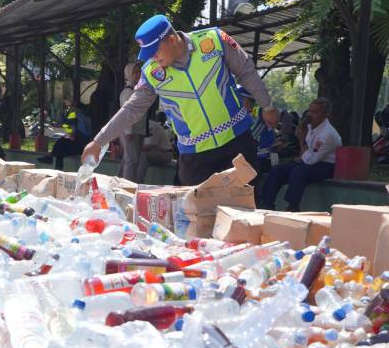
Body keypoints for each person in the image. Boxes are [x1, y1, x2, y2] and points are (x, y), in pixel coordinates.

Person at [83, 14, 277, 186]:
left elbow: (246, 71)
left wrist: (267, 106)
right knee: (200, 218)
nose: (153, 58)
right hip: (195, 157)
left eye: (155, 51)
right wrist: (99, 141)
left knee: (242, 213)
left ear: (172, 39)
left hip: (237, 143)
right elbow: (131, 109)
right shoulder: (152, 73)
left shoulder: (214, 40)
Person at [259, 97, 340, 211]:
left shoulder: (327, 134)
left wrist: (302, 142)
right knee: (278, 170)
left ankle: (293, 206)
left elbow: (311, 160)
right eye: (310, 111)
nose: (310, 115)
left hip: (325, 166)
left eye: (315, 112)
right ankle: (267, 204)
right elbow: (305, 156)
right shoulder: (310, 127)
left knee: (299, 171)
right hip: (308, 160)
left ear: (325, 115)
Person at [240, 87, 275, 181]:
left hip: (262, 156)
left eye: (240, 99)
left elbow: (279, 116)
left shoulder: (259, 110)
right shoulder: (240, 115)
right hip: (248, 156)